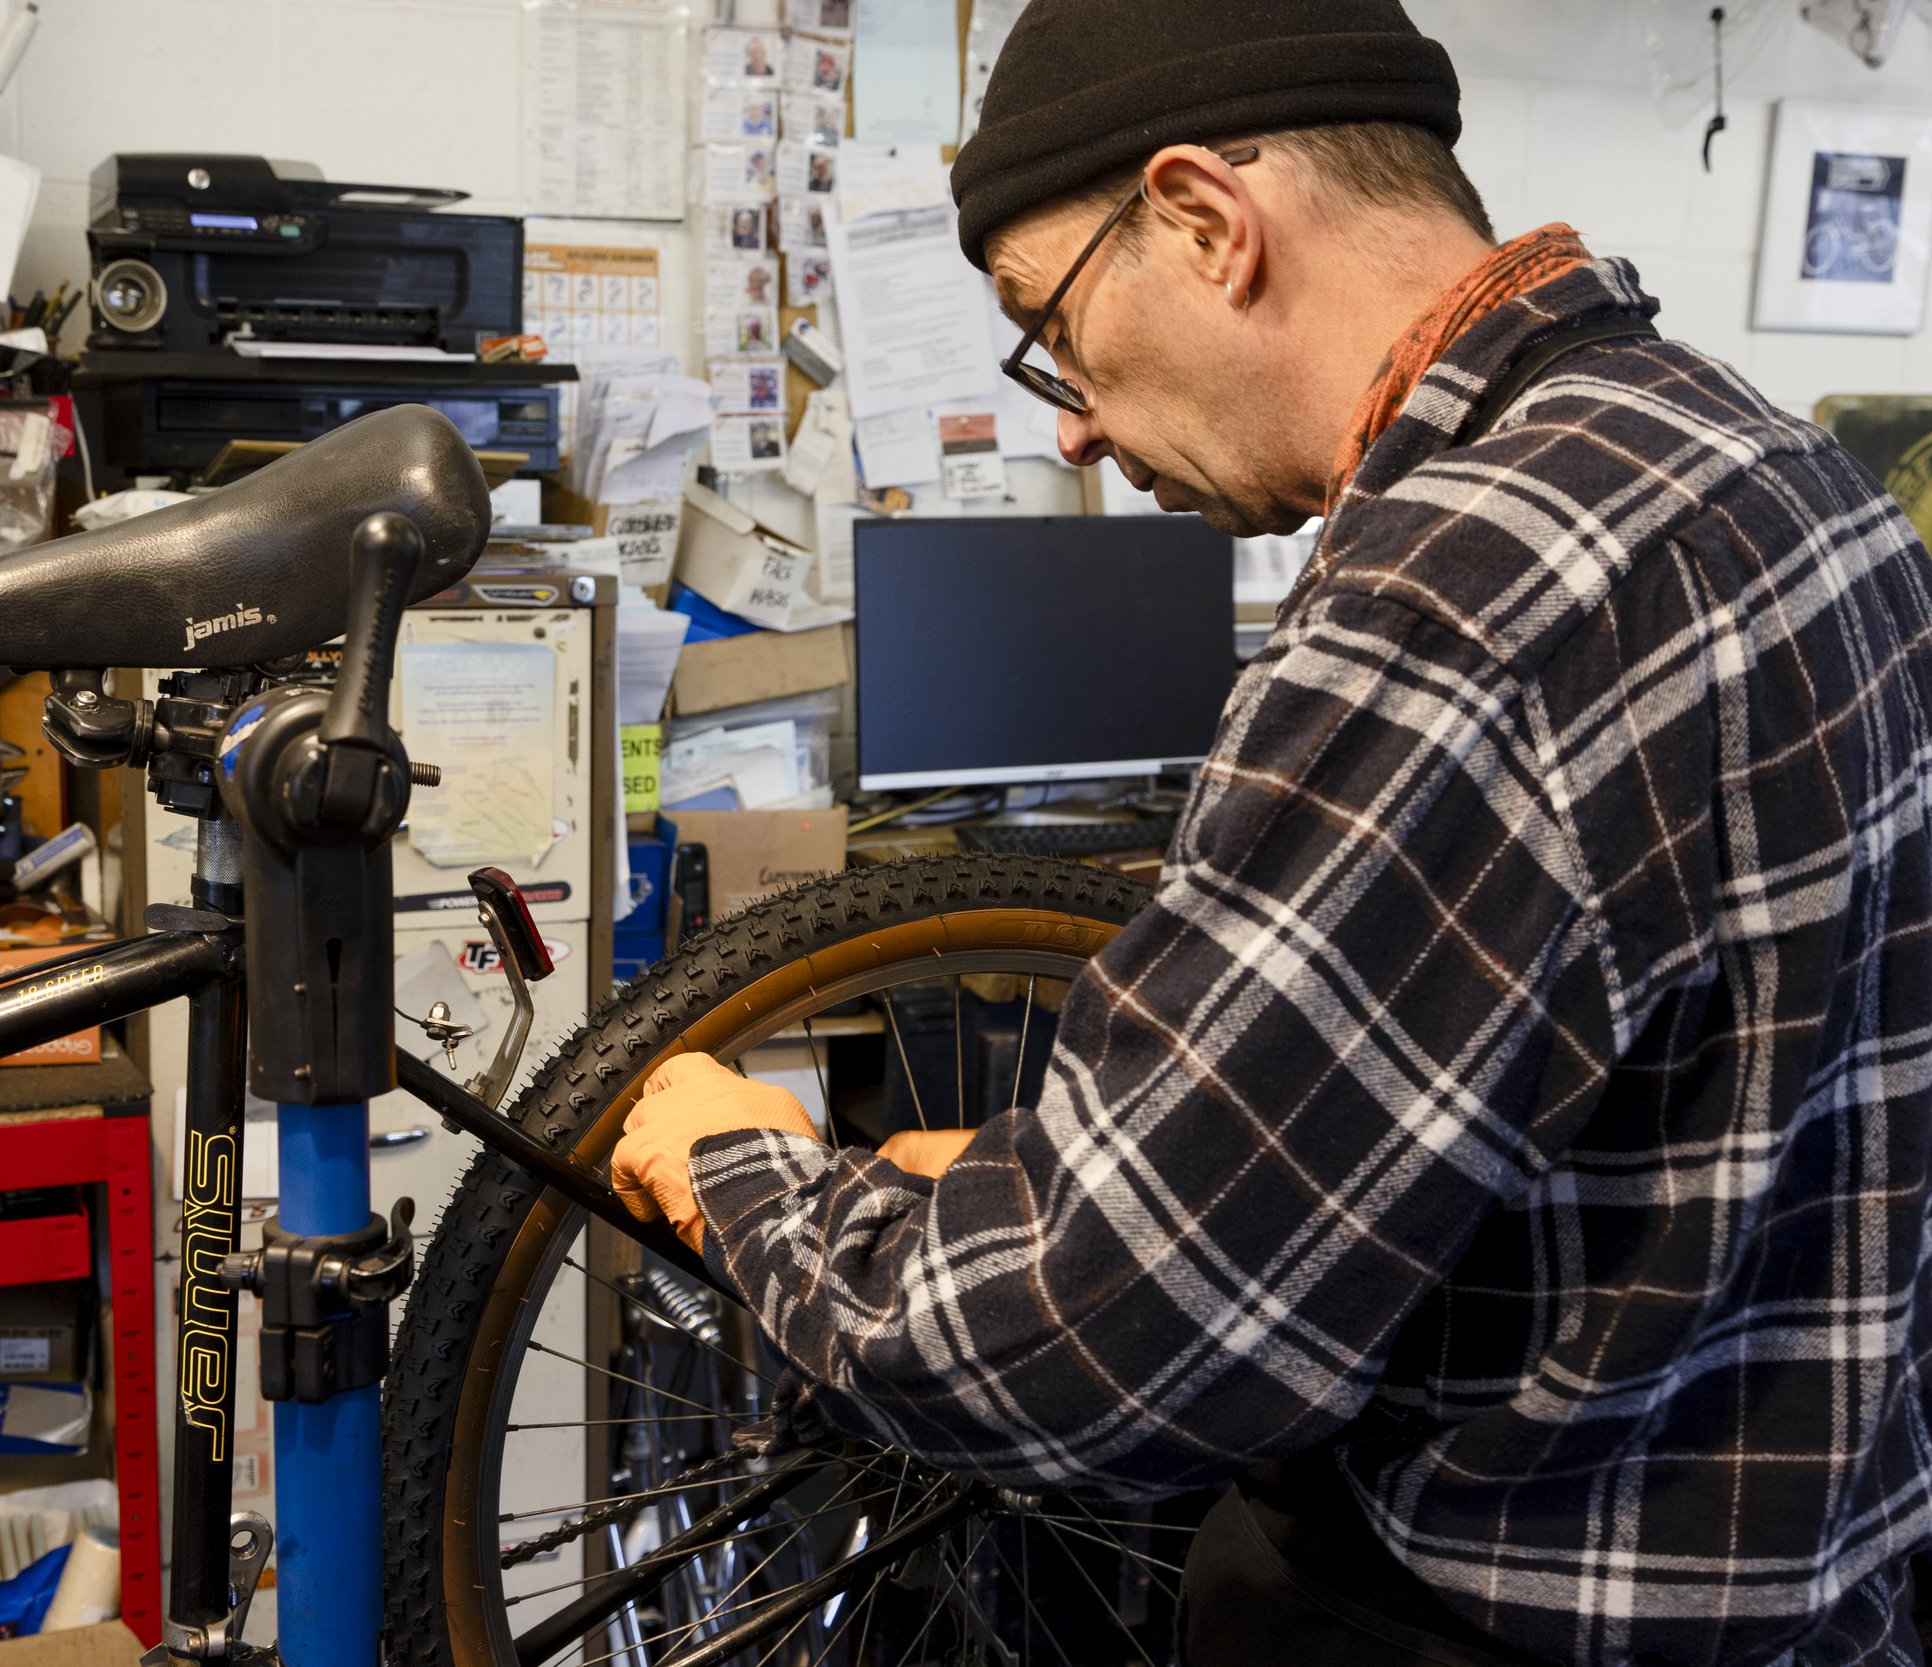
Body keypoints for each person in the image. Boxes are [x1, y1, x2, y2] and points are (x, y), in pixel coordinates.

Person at [609, 2, 1932, 1664]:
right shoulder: (1767, 458)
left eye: (1050, 328)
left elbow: (1091, 1352)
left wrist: (739, 1171)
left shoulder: (1460, 597)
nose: (1071, 423)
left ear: (1205, 223)